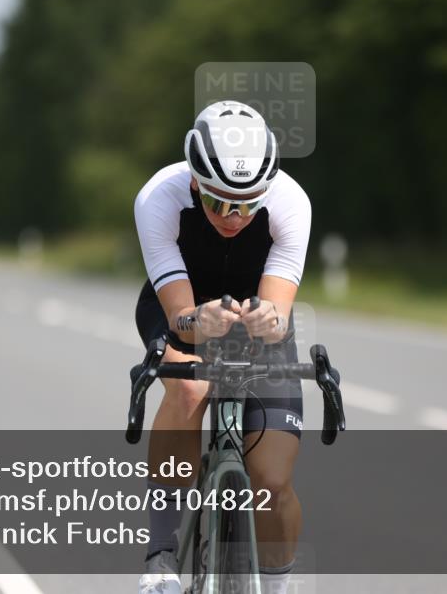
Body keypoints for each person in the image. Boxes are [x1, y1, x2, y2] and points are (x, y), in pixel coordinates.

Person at [133, 100, 311, 594]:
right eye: (217, 203)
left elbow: (276, 314)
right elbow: (179, 319)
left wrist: (268, 320)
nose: (233, 217)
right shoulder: (158, 198)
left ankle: (273, 588)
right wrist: (197, 321)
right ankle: (162, 554)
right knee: (188, 392)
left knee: (272, 481)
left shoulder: (291, 202)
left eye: (247, 205)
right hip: (182, 309)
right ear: (195, 183)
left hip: (255, 318)